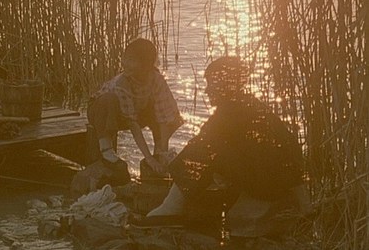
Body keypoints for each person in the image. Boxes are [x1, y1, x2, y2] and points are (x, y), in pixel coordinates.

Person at [133, 56, 312, 238]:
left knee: (203, 146)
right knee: (208, 144)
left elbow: (199, 150)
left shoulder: (228, 114)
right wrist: (304, 201)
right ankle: (178, 206)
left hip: (265, 187)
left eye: (211, 84)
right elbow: (290, 152)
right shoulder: (253, 106)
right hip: (276, 184)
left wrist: (171, 166)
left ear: (225, 84)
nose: (207, 90)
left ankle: (172, 208)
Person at [87, 38, 183, 179]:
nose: (125, 63)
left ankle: (159, 152)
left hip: (136, 111)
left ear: (146, 65)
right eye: (125, 58)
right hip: (104, 113)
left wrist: (162, 150)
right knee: (108, 100)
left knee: (171, 115)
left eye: (131, 60)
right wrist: (148, 158)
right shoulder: (121, 84)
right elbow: (133, 125)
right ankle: (106, 148)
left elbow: (163, 117)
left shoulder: (156, 79)